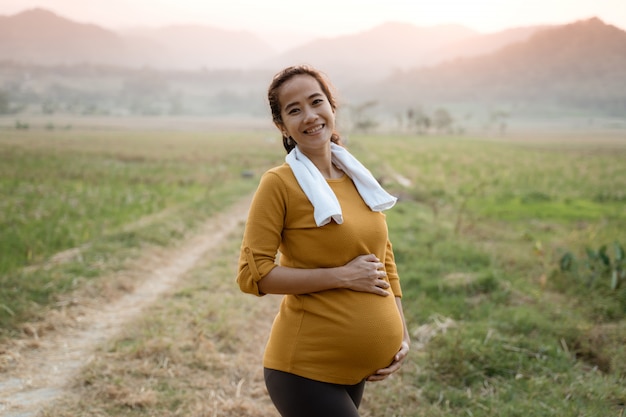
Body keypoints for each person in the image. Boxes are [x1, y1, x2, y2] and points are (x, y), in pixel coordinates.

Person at [236, 65, 410, 417]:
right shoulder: (279, 184)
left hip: (351, 370)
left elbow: (383, 259)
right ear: (282, 125)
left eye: (317, 102)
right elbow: (253, 275)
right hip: (304, 368)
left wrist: (401, 335)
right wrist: (341, 276)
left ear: (332, 108)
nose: (310, 116)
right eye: (294, 109)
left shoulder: (357, 177)